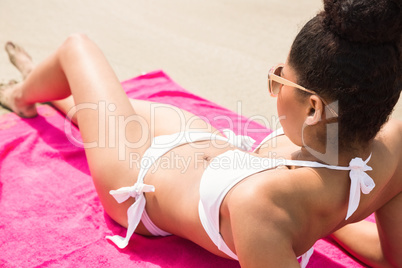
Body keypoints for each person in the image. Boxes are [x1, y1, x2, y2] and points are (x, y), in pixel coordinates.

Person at [0, 0, 401, 266]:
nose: (275, 87)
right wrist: (330, 219)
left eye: (279, 79)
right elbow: (389, 256)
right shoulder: (389, 152)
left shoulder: (262, 204)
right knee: (104, 110)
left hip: (140, 179)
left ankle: (22, 96)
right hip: (205, 146)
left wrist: (317, 219)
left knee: (78, 48)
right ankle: (55, 97)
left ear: (314, 107)